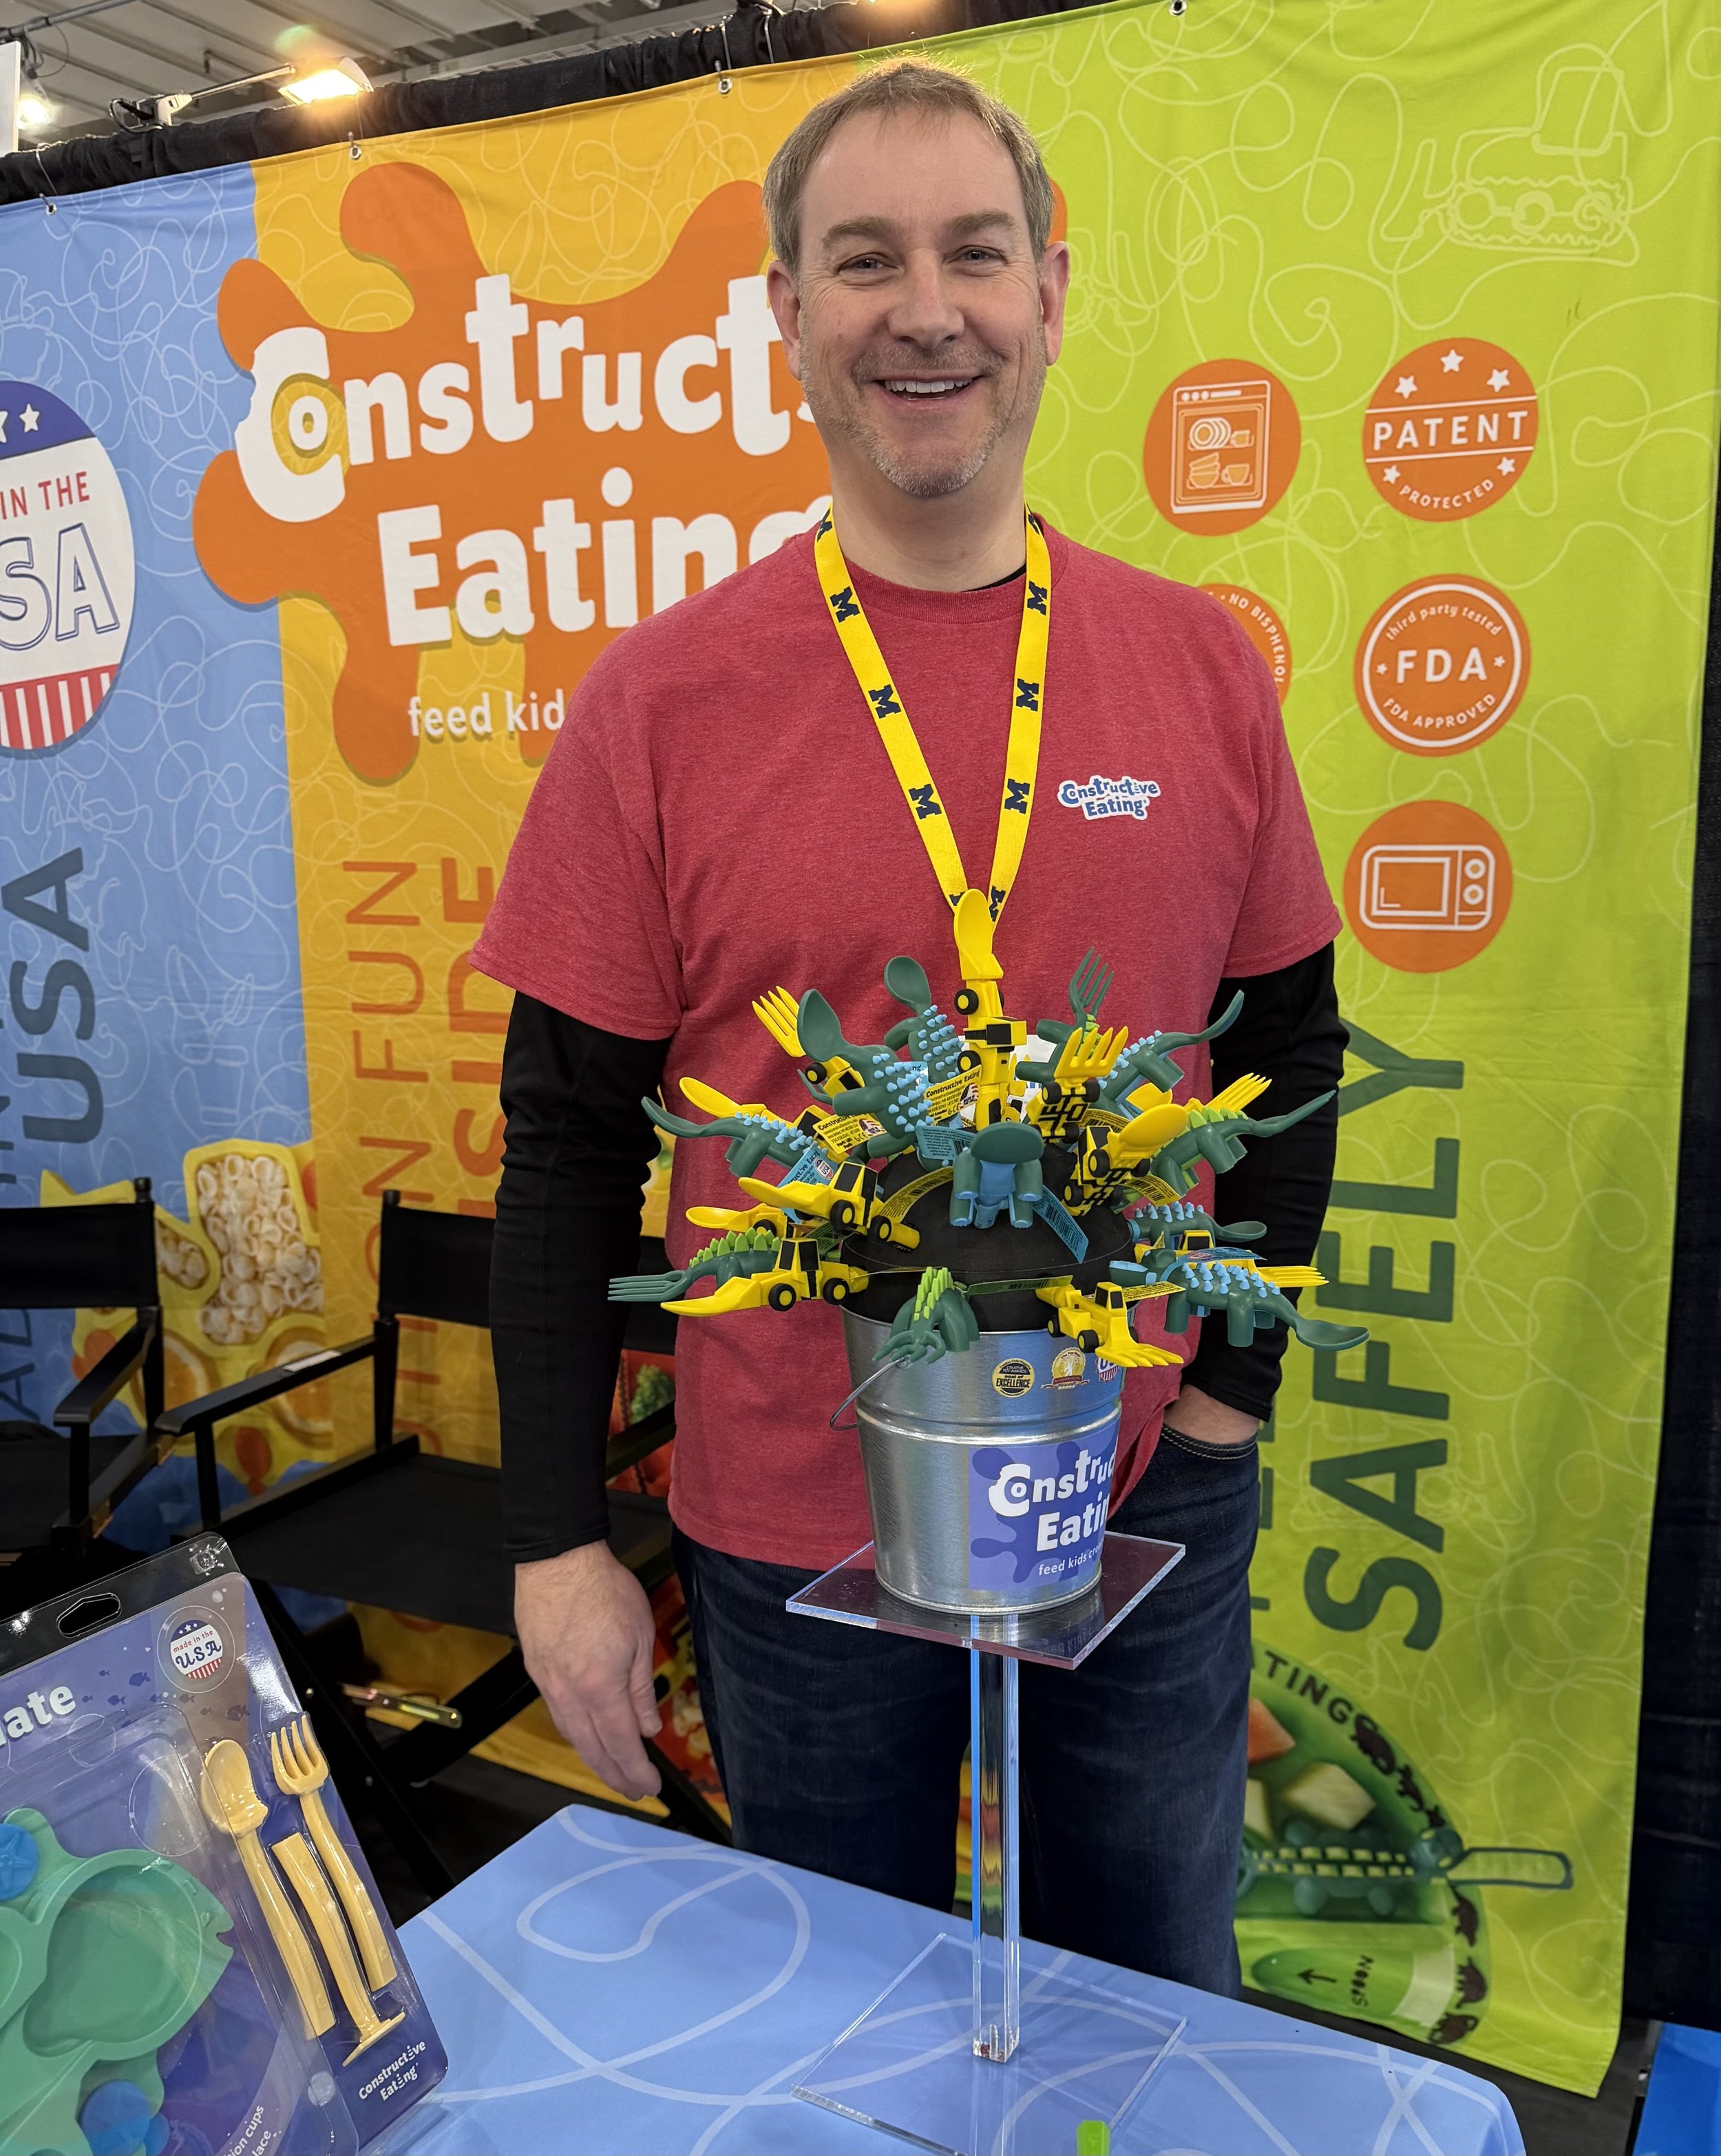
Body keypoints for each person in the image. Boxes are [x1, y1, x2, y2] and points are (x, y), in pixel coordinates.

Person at [472, 61, 1344, 1996]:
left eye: (974, 253)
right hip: (791, 1530)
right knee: (836, 2020)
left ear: (1051, 290)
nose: (925, 310)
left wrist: (1223, 1408)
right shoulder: (661, 701)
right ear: (787, 311)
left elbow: (1290, 1047)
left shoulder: (1199, 667)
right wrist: (555, 1542)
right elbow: (565, 1144)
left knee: (1148, 2004)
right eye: (863, 261)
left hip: (1136, 1502)